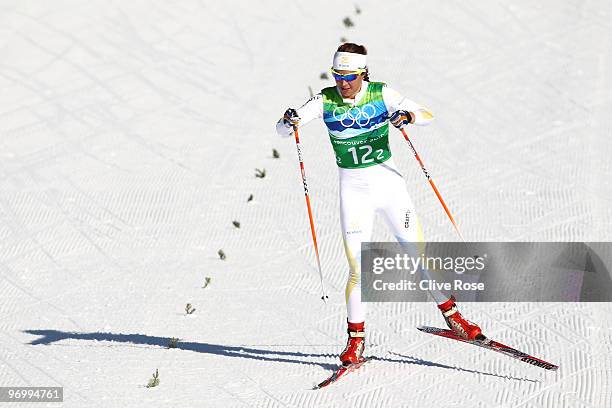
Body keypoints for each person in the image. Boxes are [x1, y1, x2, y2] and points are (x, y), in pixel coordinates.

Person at [276, 43, 482, 365]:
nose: (343, 83)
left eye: (350, 76)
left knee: (418, 256)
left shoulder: (381, 93)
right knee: (358, 270)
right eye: (338, 75)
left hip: (390, 188)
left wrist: (408, 116)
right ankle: (355, 342)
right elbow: (282, 130)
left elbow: (428, 115)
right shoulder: (324, 100)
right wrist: (288, 121)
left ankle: (453, 317)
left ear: (363, 73)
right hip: (353, 191)